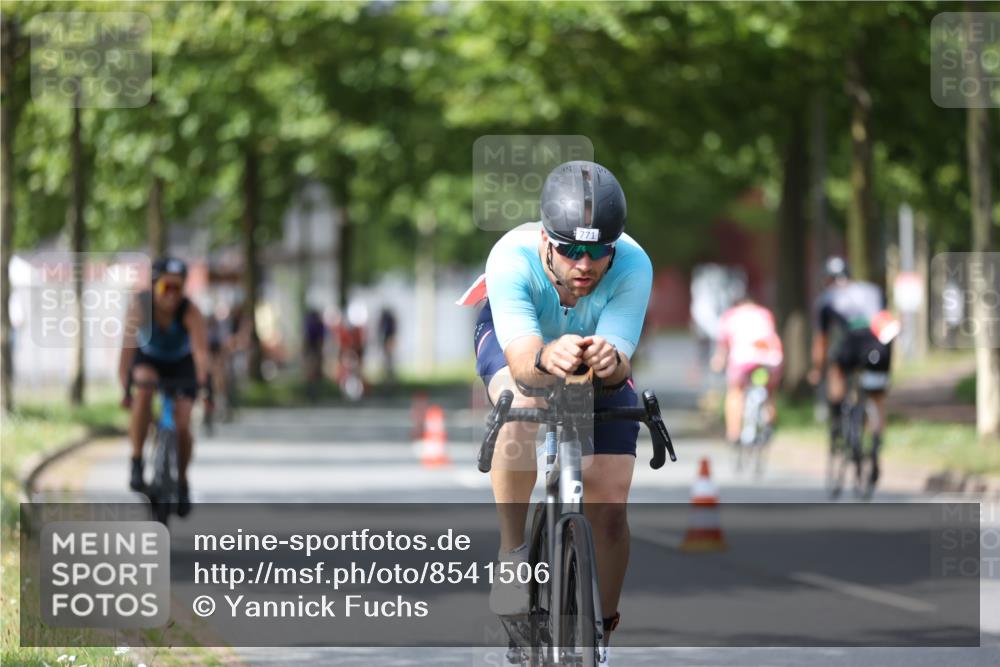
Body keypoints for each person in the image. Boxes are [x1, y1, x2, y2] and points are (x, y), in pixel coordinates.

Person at [467, 160, 652, 647]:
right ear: (547, 241)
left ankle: (602, 628)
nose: (585, 265)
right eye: (571, 250)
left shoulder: (634, 264)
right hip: (523, 346)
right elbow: (526, 361)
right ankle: (512, 554)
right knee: (518, 398)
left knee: (609, 504)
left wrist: (612, 364)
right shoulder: (511, 258)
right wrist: (548, 355)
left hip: (591, 350)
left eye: (597, 252)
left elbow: (618, 369)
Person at [118, 257, 210, 516]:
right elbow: (126, 354)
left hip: (181, 364)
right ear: (154, 286)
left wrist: (206, 387)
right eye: (165, 288)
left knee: (182, 422)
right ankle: (136, 461)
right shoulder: (140, 307)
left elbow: (201, 355)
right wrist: (126, 389)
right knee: (144, 390)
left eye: (177, 289)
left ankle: (181, 482)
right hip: (149, 360)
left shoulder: (190, 312)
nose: (171, 295)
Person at [808, 256, 893, 487]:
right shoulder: (872, 289)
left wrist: (818, 370)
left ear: (828, 279)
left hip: (852, 343)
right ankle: (875, 440)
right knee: (876, 396)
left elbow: (821, 342)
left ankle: (837, 418)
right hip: (879, 344)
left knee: (836, 369)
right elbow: (885, 320)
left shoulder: (826, 299)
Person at [710, 294, 783, 446]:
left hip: (743, 359)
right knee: (769, 392)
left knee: (735, 391)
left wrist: (718, 362)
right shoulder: (765, 313)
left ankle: (734, 433)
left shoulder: (730, 316)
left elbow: (723, 347)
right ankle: (769, 425)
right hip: (769, 358)